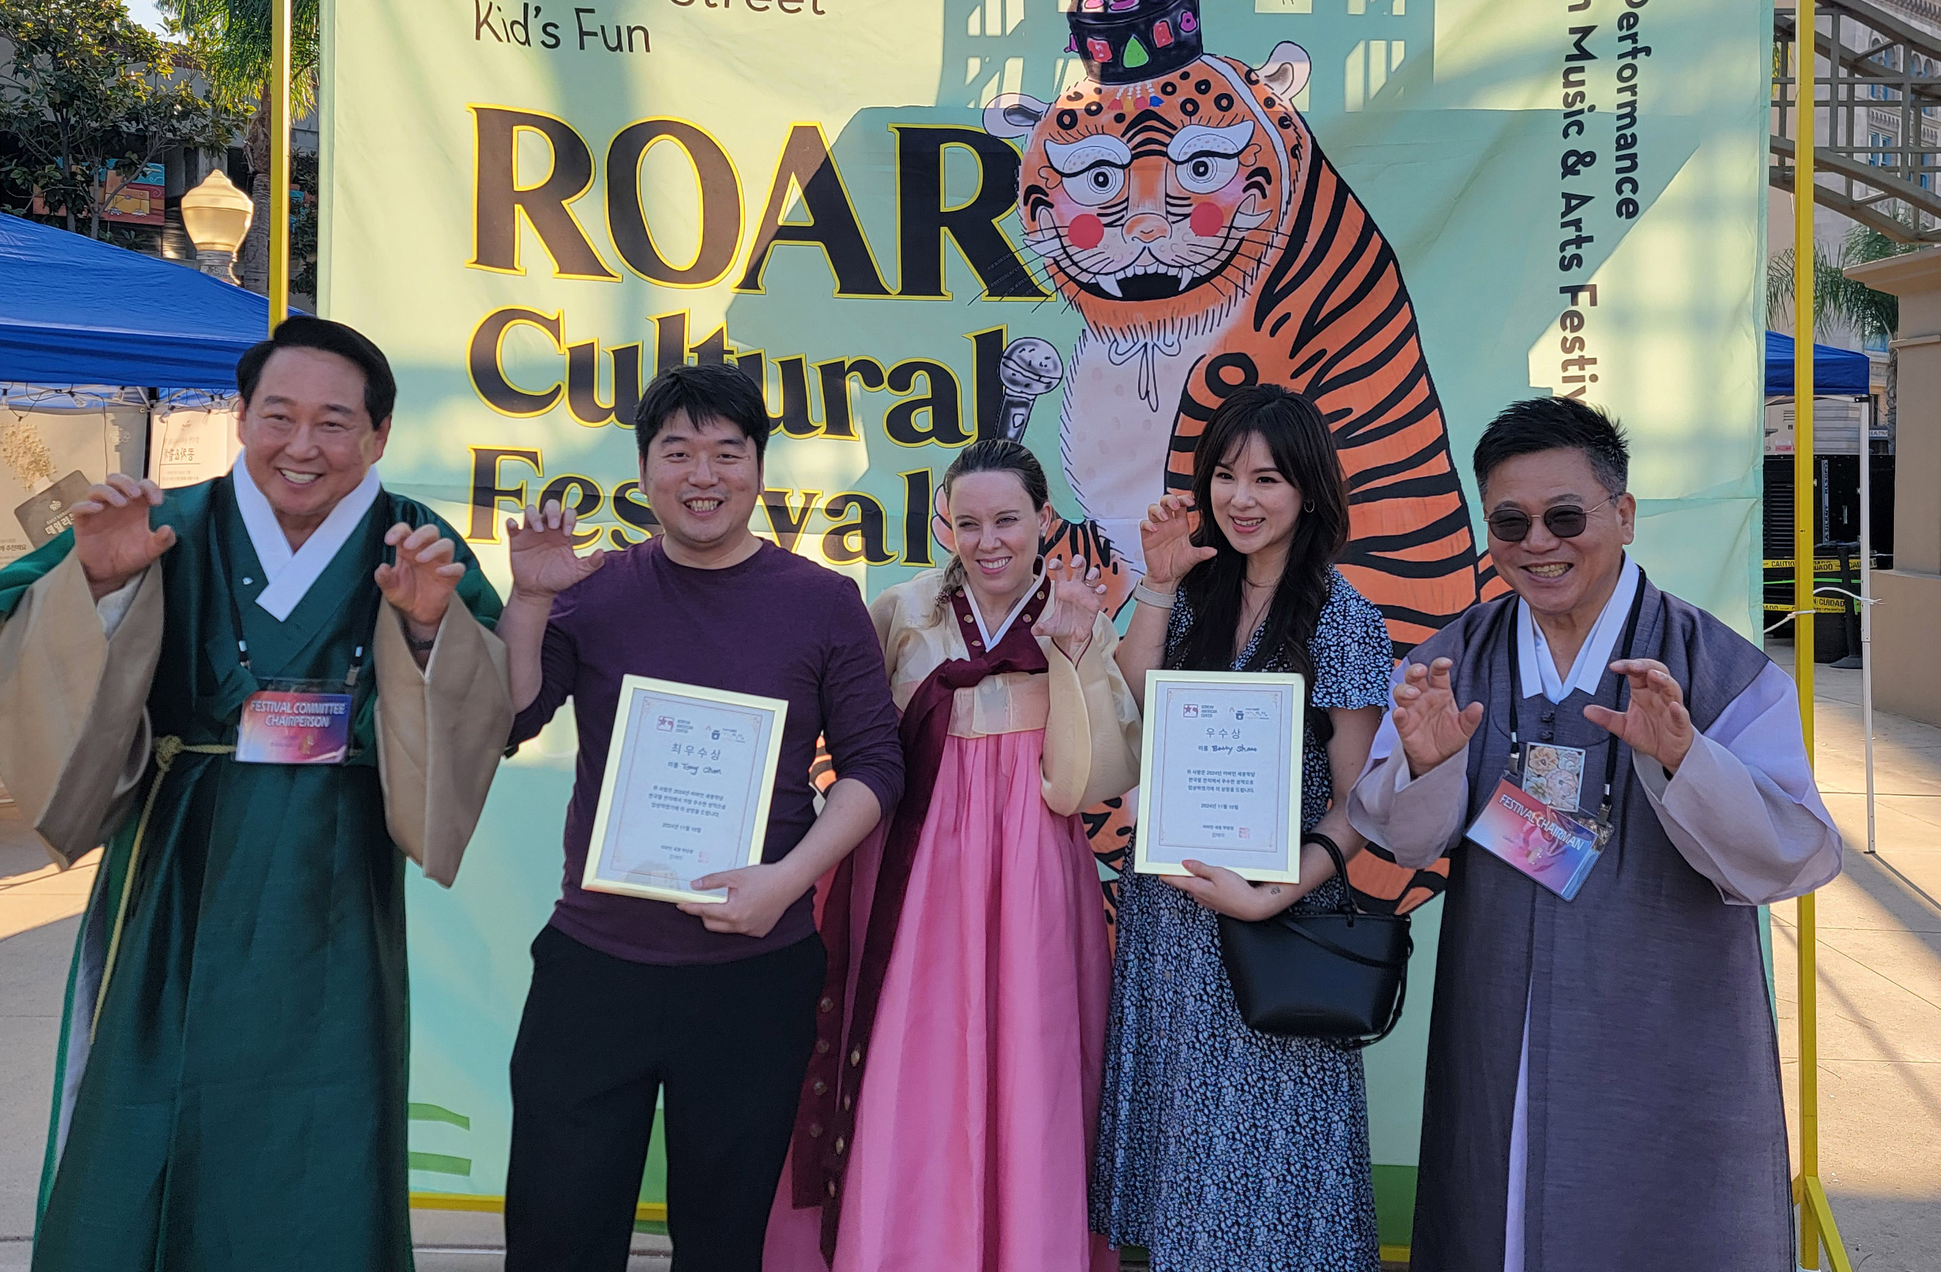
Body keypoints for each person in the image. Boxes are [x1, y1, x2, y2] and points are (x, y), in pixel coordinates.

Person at [0, 316, 513, 1271]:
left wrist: (426, 630)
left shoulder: (413, 538)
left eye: (335, 423)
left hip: (334, 872)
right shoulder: (168, 519)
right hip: (176, 861)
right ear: (242, 415)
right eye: (278, 414)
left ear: (378, 434)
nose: (303, 445)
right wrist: (96, 578)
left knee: (325, 1110)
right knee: (146, 1095)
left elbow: (493, 695)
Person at [1347, 395, 1842, 1272]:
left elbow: (1795, 850)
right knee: (1494, 1210)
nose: (1540, 542)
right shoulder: (1453, 660)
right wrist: (1424, 766)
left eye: (1565, 515)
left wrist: (1688, 757)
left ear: (1624, 514)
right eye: (1511, 522)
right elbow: (1403, 838)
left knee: (1664, 1220)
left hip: (1665, 1020)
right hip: (1500, 1015)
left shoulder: (1712, 666)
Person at [497, 362, 905, 1272]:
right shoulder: (591, 590)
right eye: (678, 452)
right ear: (645, 472)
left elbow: (877, 766)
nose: (703, 475)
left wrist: (786, 882)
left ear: (759, 468)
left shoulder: (821, 602)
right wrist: (528, 603)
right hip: (596, 961)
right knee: (558, 1230)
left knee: (723, 1241)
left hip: (755, 971)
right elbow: (510, 718)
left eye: (727, 452)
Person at [766, 439, 1141, 1271]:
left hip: (1035, 870)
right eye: (967, 521)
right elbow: (834, 721)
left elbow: (1090, 782)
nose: (988, 539)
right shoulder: (904, 610)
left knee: (1029, 1061)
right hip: (912, 869)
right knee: (910, 1057)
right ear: (945, 523)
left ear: (1045, 520)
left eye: (1007, 518)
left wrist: (1074, 651)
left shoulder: (1078, 611)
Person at [1092, 385, 1394, 1271]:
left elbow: (1362, 802)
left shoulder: (1342, 618)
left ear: (1309, 489)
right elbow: (1129, 702)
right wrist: (1154, 581)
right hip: (1173, 920)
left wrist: (1273, 892)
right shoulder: (1191, 599)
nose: (1242, 498)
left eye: (1267, 477)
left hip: (1275, 924)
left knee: (1274, 1177)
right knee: (1180, 1166)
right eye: (1225, 475)